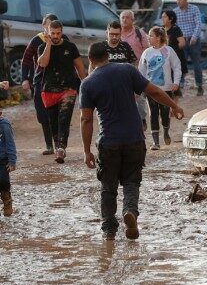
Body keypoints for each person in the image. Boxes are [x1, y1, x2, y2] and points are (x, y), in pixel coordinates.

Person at [80, 42, 184, 241]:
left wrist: (86, 151)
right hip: (134, 139)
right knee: (131, 182)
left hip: (109, 141)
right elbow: (153, 91)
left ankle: (109, 230)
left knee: (108, 187)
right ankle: (130, 212)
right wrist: (173, 106)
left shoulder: (88, 83)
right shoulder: (127, 70)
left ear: (91, 60)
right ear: (108, 56)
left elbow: (86, 119)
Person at [37, 20, 87, 162]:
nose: (56, 36)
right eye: (53, 33)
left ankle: (61, 149)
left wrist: (85, 83)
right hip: (49, 89)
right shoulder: (42, 47)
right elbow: (43, 63)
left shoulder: (70, 47)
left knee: (64, 119)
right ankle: (57, 145)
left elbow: (79, 67)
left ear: (62, 32)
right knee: (53, 121)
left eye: (58, 33)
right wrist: (48, 45)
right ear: (48, 32)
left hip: (68, 88)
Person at [22, 14, 60, 155]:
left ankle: (58, 145)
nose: (50, 29)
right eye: (48, 26)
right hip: (40, 81)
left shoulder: (62, 40)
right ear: (44, 26)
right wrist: (24, 79)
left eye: (53, 26)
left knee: (57, 113)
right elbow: (25, 61)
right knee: (43, 114)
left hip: (57, 82)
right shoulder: (36, 41)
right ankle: (49, 145)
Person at [138, 27, 181, 149]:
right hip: (150, 88)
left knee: (165, 113)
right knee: (153, 113)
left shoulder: (169, 50)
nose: (148, 38)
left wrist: (176, 82)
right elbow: (141, 71)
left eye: (151, 36)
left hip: (166, 88)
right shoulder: (146, 53)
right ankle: (155, 142)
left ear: (159, 37)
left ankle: (166, 132)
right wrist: (140, 87)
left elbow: (177, 66)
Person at [174, 0, 205, 96]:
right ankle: (179, 86)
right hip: (181, 41)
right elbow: (175, 27)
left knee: (196, 64)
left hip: (193, 41)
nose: (178, 2)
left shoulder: (194, 9)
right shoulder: (175, 12)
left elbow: (198, 24)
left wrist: (194, 36)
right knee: (180, 64)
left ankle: (199, 86)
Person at [161, 9, 187, 97]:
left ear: (170, 19)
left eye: (164, 17)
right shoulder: (161, 29)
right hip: (163, 60)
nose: (162, 19)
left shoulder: (175, 29)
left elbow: (182, 42)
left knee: (175, 84)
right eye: (162, 17)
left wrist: (172, 52)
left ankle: (174, 107)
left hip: (175, 59)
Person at [0, 90, 17, 216]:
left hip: (2, 160)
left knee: (3, 181)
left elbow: (10, 144)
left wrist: (12, 161)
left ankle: (7, 201)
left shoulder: (4, 125)